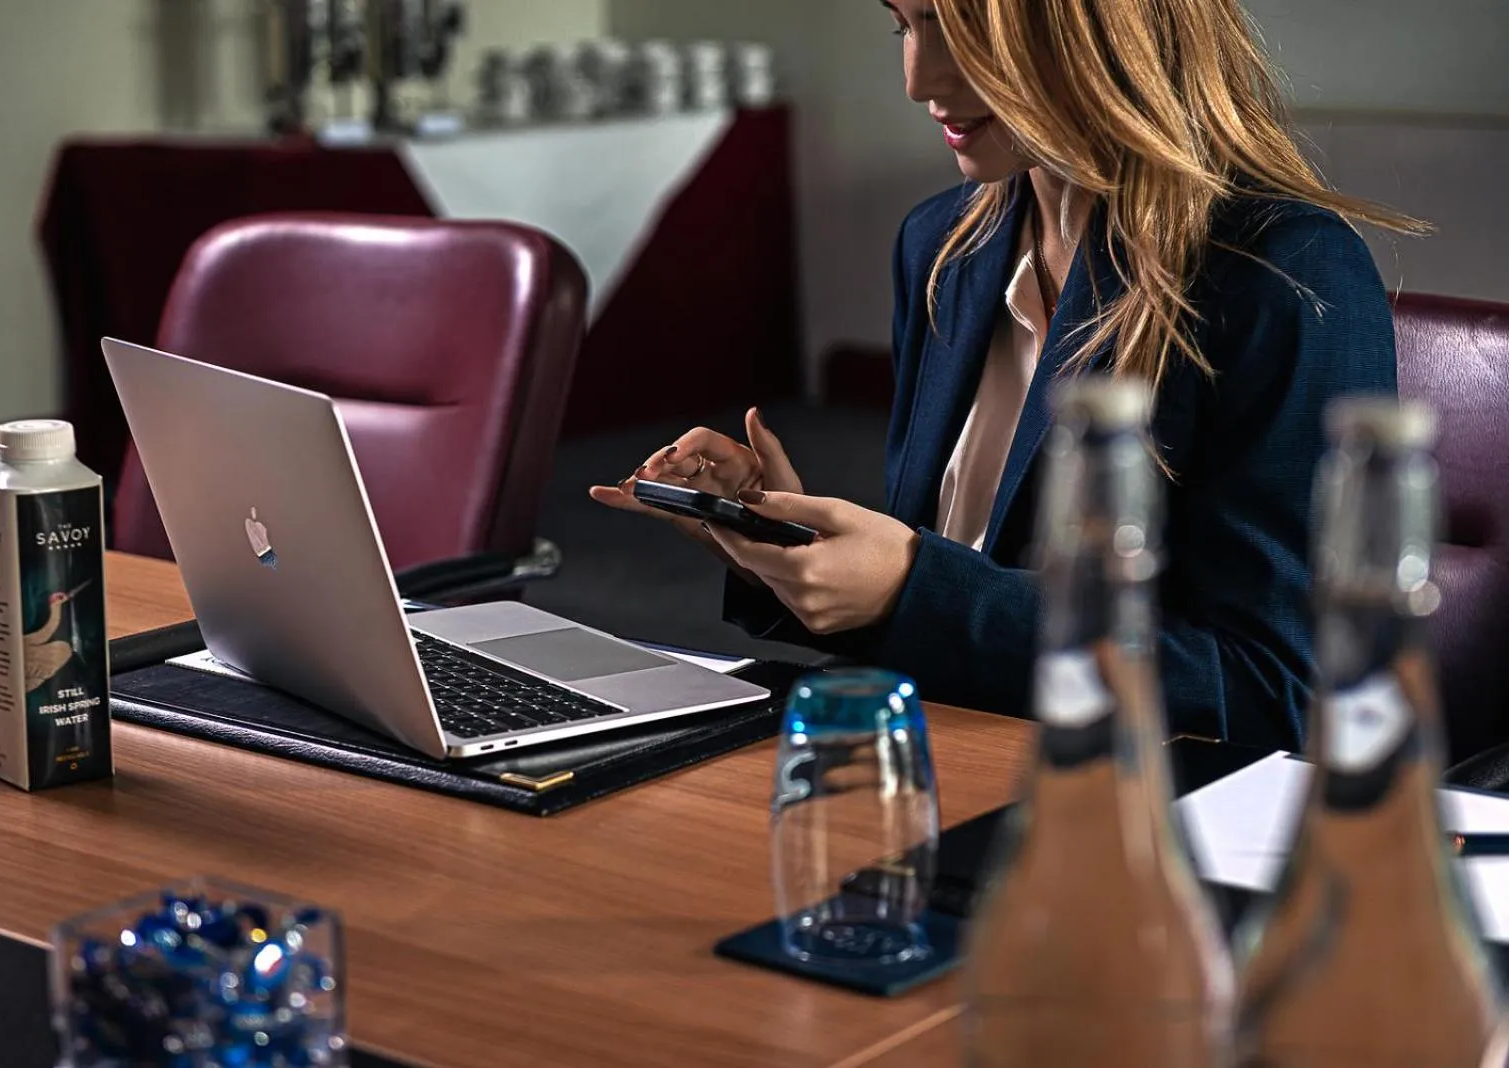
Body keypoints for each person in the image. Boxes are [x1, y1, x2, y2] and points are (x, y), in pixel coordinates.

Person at [590, 0, 1423, 751]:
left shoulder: (1286, 273)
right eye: (905, 25)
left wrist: (913, 588)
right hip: (954, 756)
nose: (918, 78)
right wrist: (794, 546)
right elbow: (958, 598)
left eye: (966, 28)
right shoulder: (944, 248)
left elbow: (1281, 690)